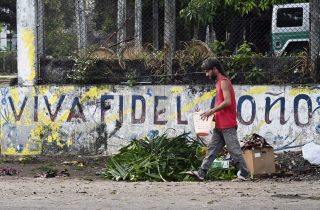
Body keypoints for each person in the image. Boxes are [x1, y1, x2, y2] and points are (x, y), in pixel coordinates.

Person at [189, 58, 250, 181]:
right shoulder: (218, 82)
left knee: (234, 150)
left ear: (215, 69)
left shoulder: (223, 82)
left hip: (228, 124)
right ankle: (202, 173)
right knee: (211, 150)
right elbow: (223, 104)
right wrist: (214, 117)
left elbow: (228, 102)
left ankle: (245, 173)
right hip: (220, 124)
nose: (207, 75)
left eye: (208, 71)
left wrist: (212, 111)